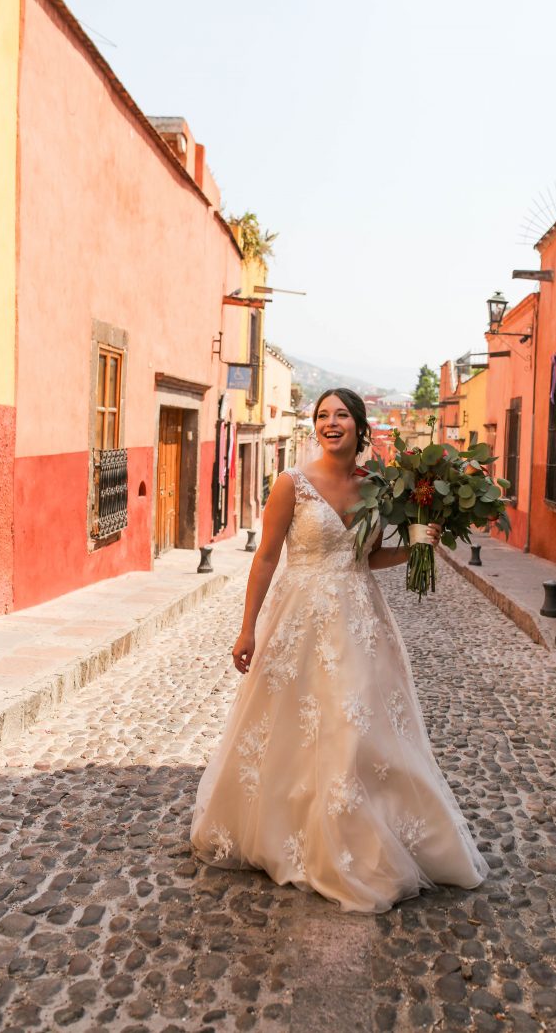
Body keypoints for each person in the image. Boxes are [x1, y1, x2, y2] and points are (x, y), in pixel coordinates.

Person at [190, 388, 488, 913]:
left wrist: (420, 542)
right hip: (300, 618)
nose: (332, 423)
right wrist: (247, 629)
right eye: (323, 416)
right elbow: (264, 559)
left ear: (358, 425)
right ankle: (297, 832)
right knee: (301, 726)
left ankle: (356, 837)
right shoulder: (291, 485)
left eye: (341, 416)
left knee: (356, 725)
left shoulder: (377, 486)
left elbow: (367, 559)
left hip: (361, 621)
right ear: (315, 426)